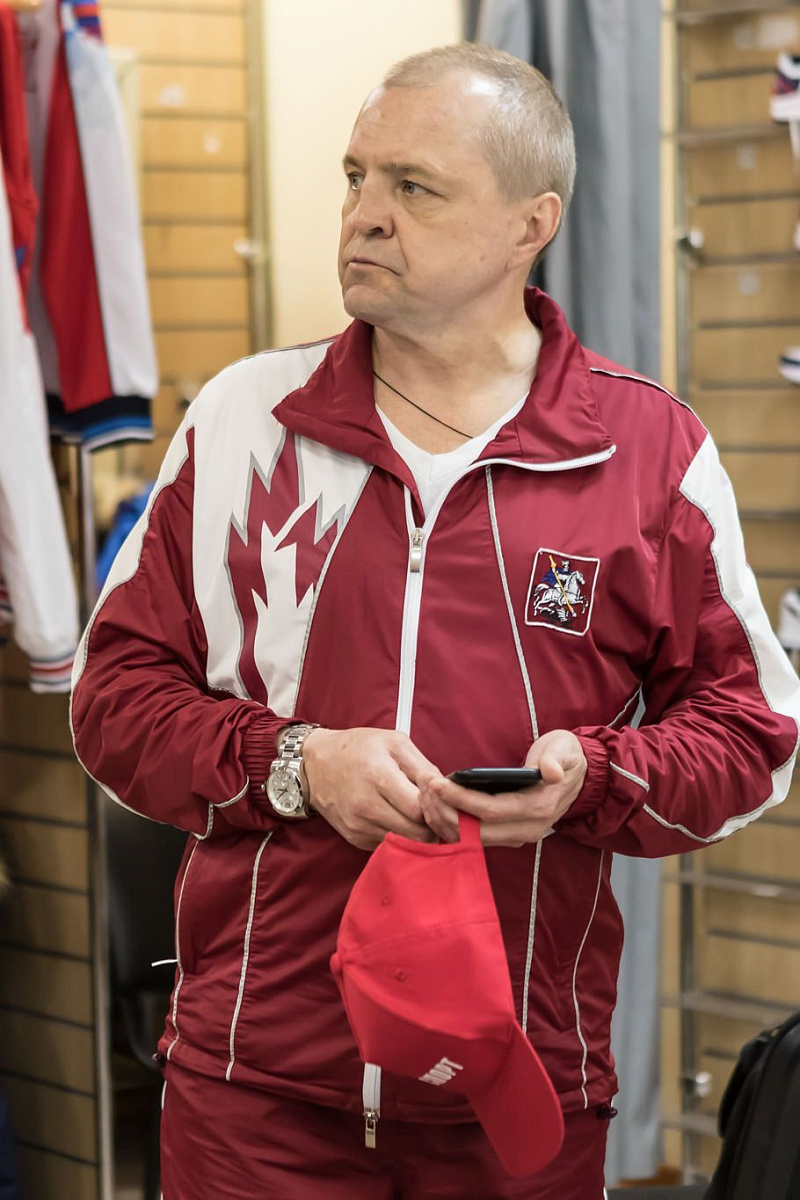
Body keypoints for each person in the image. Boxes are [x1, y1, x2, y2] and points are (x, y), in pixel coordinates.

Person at [70, 42, 800, 1200]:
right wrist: (296, 765)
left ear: (528, 225)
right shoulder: (243, 421)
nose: (364, 213)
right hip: (255, 1096)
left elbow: (748, 736)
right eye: (355, 177)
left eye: (412, 187)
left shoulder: (646, 452)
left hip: (515, 1093)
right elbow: (113, 702)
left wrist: (594, 779)